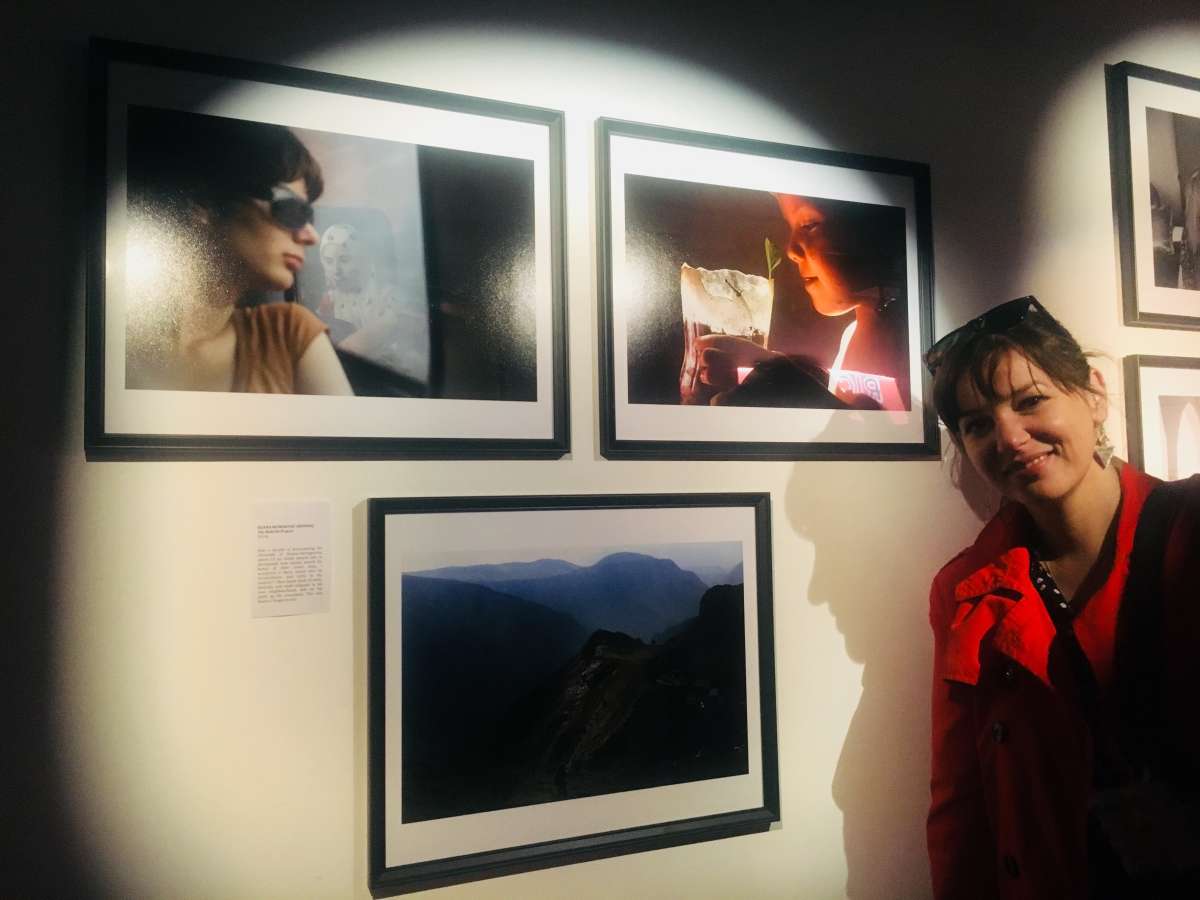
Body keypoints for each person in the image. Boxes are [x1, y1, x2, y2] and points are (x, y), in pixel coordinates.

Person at [924, 296, 1200, 898]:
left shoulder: (1190, 531)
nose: (1008, 437)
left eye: (1030, 401)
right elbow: (962, 803)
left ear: (1093, 395)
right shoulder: (964, 590)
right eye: (977, 424)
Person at [124, 107, 352, 395]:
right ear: (206, 203)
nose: (312, 237)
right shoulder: (110, 339)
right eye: (293, 210)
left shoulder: (289, 333)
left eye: (310, 218)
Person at [681, 192, 909, 409]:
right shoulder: (851, 336)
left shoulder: (913, 341)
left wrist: (801, 392)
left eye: (809, 225)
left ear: (880, 229)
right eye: (792, 227)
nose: (791, 250)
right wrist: (775, 368)